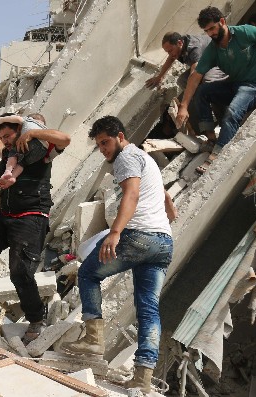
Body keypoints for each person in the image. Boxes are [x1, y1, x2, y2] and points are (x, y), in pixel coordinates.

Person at [62, 115, 177, 394]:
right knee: (149, 309)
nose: (103, 148)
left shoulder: (127, 157)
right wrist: (168, 218)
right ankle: (143, 378)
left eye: (106, 142)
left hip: (138, 236)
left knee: (88, 273)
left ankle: (93, 339)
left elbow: (132, 195)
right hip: (163, 243)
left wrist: (114, 233)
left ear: (121, 136)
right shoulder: (147, 159)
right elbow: (165, 201)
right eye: (99, 145)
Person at [0, 113, 71, 345]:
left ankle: (35, 319)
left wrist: (32, 132)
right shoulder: (11, 151)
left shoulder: (43, 150)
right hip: (6, 214)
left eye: (9, 135)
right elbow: (0, 148)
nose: (6, 140)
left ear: (22, 132)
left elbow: (65, 138)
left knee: (20, 272)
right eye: (3, 136)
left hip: (31, 216)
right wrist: (2, 139)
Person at [176, 6, 256, 174]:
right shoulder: (213, 49)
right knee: (203, 91)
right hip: (235, 84)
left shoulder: (244, 32)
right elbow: (195, 76)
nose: (210, 34)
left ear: (222, 22)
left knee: (232, 111)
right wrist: (184, 106)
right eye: (206, 31)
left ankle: (217, 155)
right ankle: (211, 138)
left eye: (212, 28)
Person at [146, 32, 228, 138]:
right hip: (206, 64)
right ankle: (202, 99)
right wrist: (160, 76)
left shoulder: (194, 48)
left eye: (170, 50)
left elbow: (194, 76)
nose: (170, 54)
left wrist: (184, 106)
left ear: (179, 43)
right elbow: (171, 59)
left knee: (206, 82)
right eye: (167, 52)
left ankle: (215, 105)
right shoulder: (180, 45)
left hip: (219, 62)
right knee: (182, 81)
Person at [0, 114, 59, 189]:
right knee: (22, 163)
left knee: (14, 154)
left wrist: (2, 120)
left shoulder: (27, 122)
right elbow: (50, 155)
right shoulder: (48, 138)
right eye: (1, 138)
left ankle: (8, 171)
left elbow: (65, 139)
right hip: (42, 150)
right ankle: (13, 176)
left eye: (6, 136)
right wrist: (47, 159)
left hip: (35, 197)